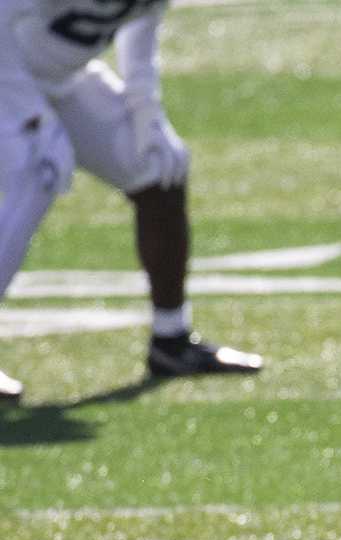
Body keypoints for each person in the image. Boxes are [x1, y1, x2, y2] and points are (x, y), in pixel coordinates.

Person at [0, 0, 260, 404]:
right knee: (38, 173)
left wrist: (148, 117)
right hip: (8, 76)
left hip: (62, 80)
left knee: (158, 170)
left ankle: (171, 340)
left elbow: (140, 31)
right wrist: (29, 114)